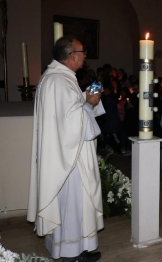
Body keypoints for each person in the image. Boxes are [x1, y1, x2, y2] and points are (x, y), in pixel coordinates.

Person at [27, 36, 104, 262]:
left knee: (75, 208)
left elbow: (67, 111)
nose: (85, 56)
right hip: (68, 160)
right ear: (71, 56)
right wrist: (88, 103)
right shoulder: (57, 82)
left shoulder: (58, 79)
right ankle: (71, 254)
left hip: (66, 153)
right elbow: (70, 123)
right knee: (72, 206)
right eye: (82, 52)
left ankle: (79, 249)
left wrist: (85, 99)